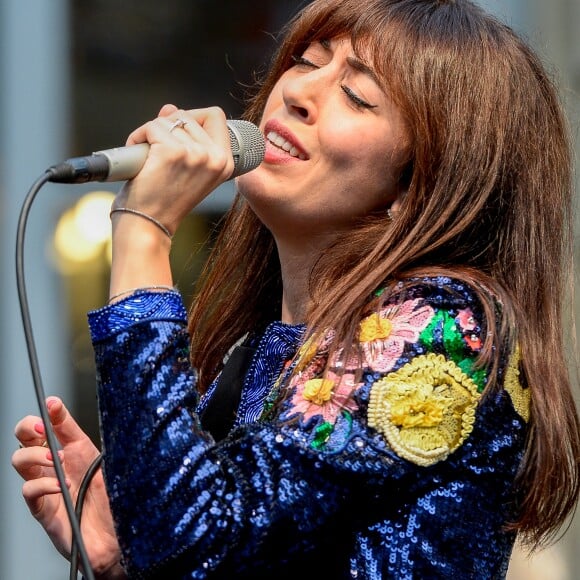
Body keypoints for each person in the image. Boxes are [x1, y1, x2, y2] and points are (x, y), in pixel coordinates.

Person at [11, 0, 580, 578]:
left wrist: (143, 232)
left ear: (424, 184)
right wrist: (124, 554)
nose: (299, 92)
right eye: (308, 60)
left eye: (359, 96)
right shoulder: (257, 350)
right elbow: (208, 553)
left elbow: (193, 540)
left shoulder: (445, 329)